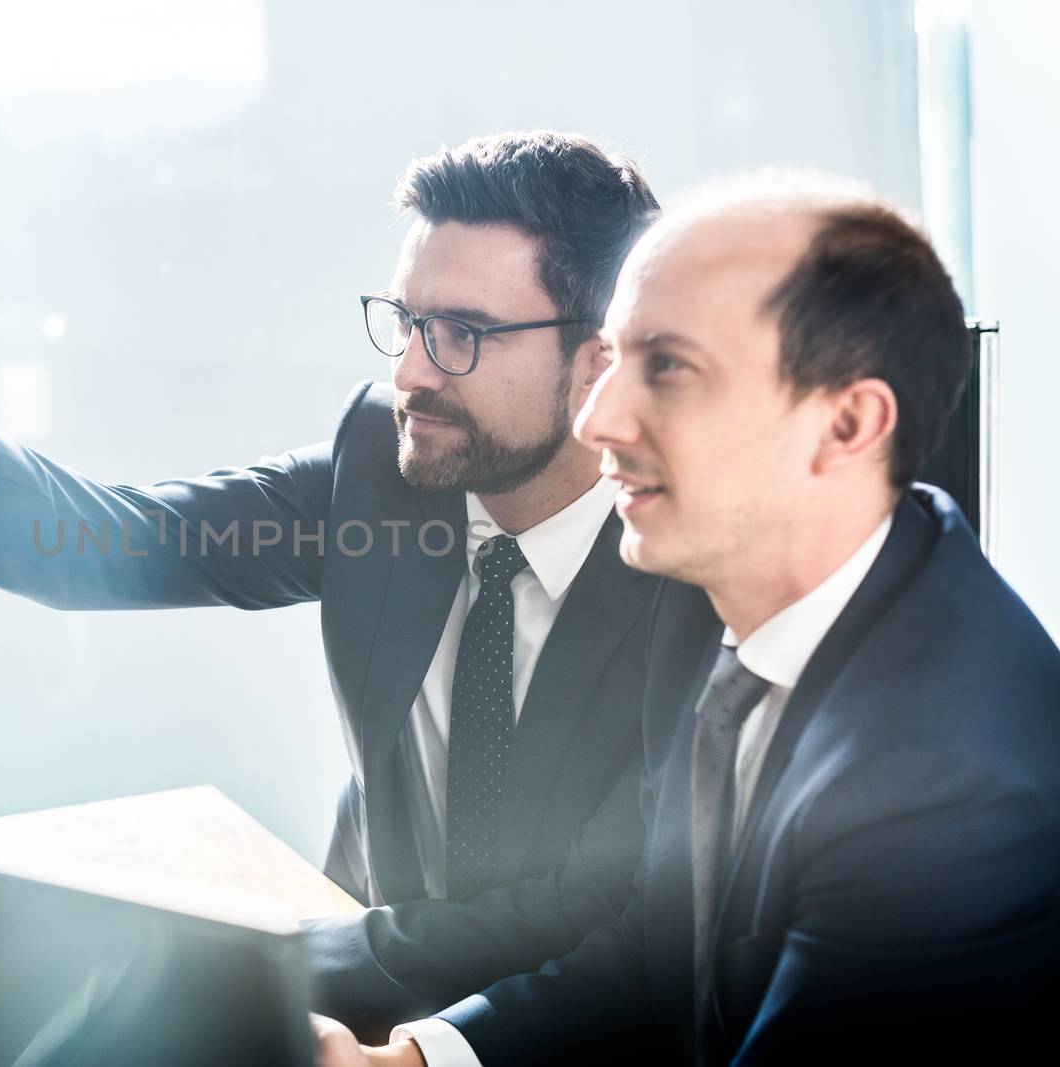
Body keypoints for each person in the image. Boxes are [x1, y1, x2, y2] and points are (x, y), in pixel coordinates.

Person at [0, 130, 664, 1033]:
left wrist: (221, 959)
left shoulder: (700, 570)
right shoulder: (385, 462)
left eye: (459, 332)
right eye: (405, 320)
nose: (410, 369)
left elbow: (583, 920)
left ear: (596, 364)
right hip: (340, 1016)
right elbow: (123, 538)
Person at [318, 175, 1060, 1066]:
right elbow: (656, 946)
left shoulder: (942, 795)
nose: (596, 422)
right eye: (613, 361)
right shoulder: (714, 605)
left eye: (667, 368)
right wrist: (410, 1062)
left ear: (848, 422)